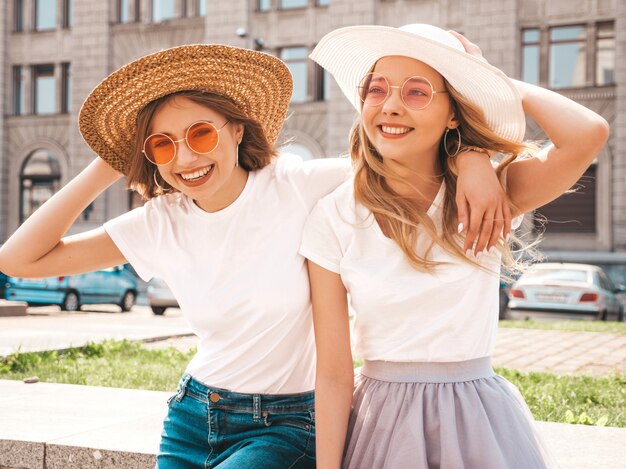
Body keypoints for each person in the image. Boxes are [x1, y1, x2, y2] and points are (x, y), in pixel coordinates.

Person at [0, 44, 513, 468]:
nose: (185, 158)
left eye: (201, 134)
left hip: (287, 424)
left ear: (237, 129)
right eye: (161, 146)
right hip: (192, 414)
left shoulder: (300, 185)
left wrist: (469, 157)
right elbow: (18, 260)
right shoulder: (161, 221)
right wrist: (110, 163)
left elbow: (403, 159)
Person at [300, 24, 609, 469]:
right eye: (377, 90)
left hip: (477, 418)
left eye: (417, 93)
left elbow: (588, 133)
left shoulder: (491, 194)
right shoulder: (335, 215)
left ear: (453, 113)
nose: (389, 105)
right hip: (384, 423)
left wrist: (485, 97)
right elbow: (331, 373)